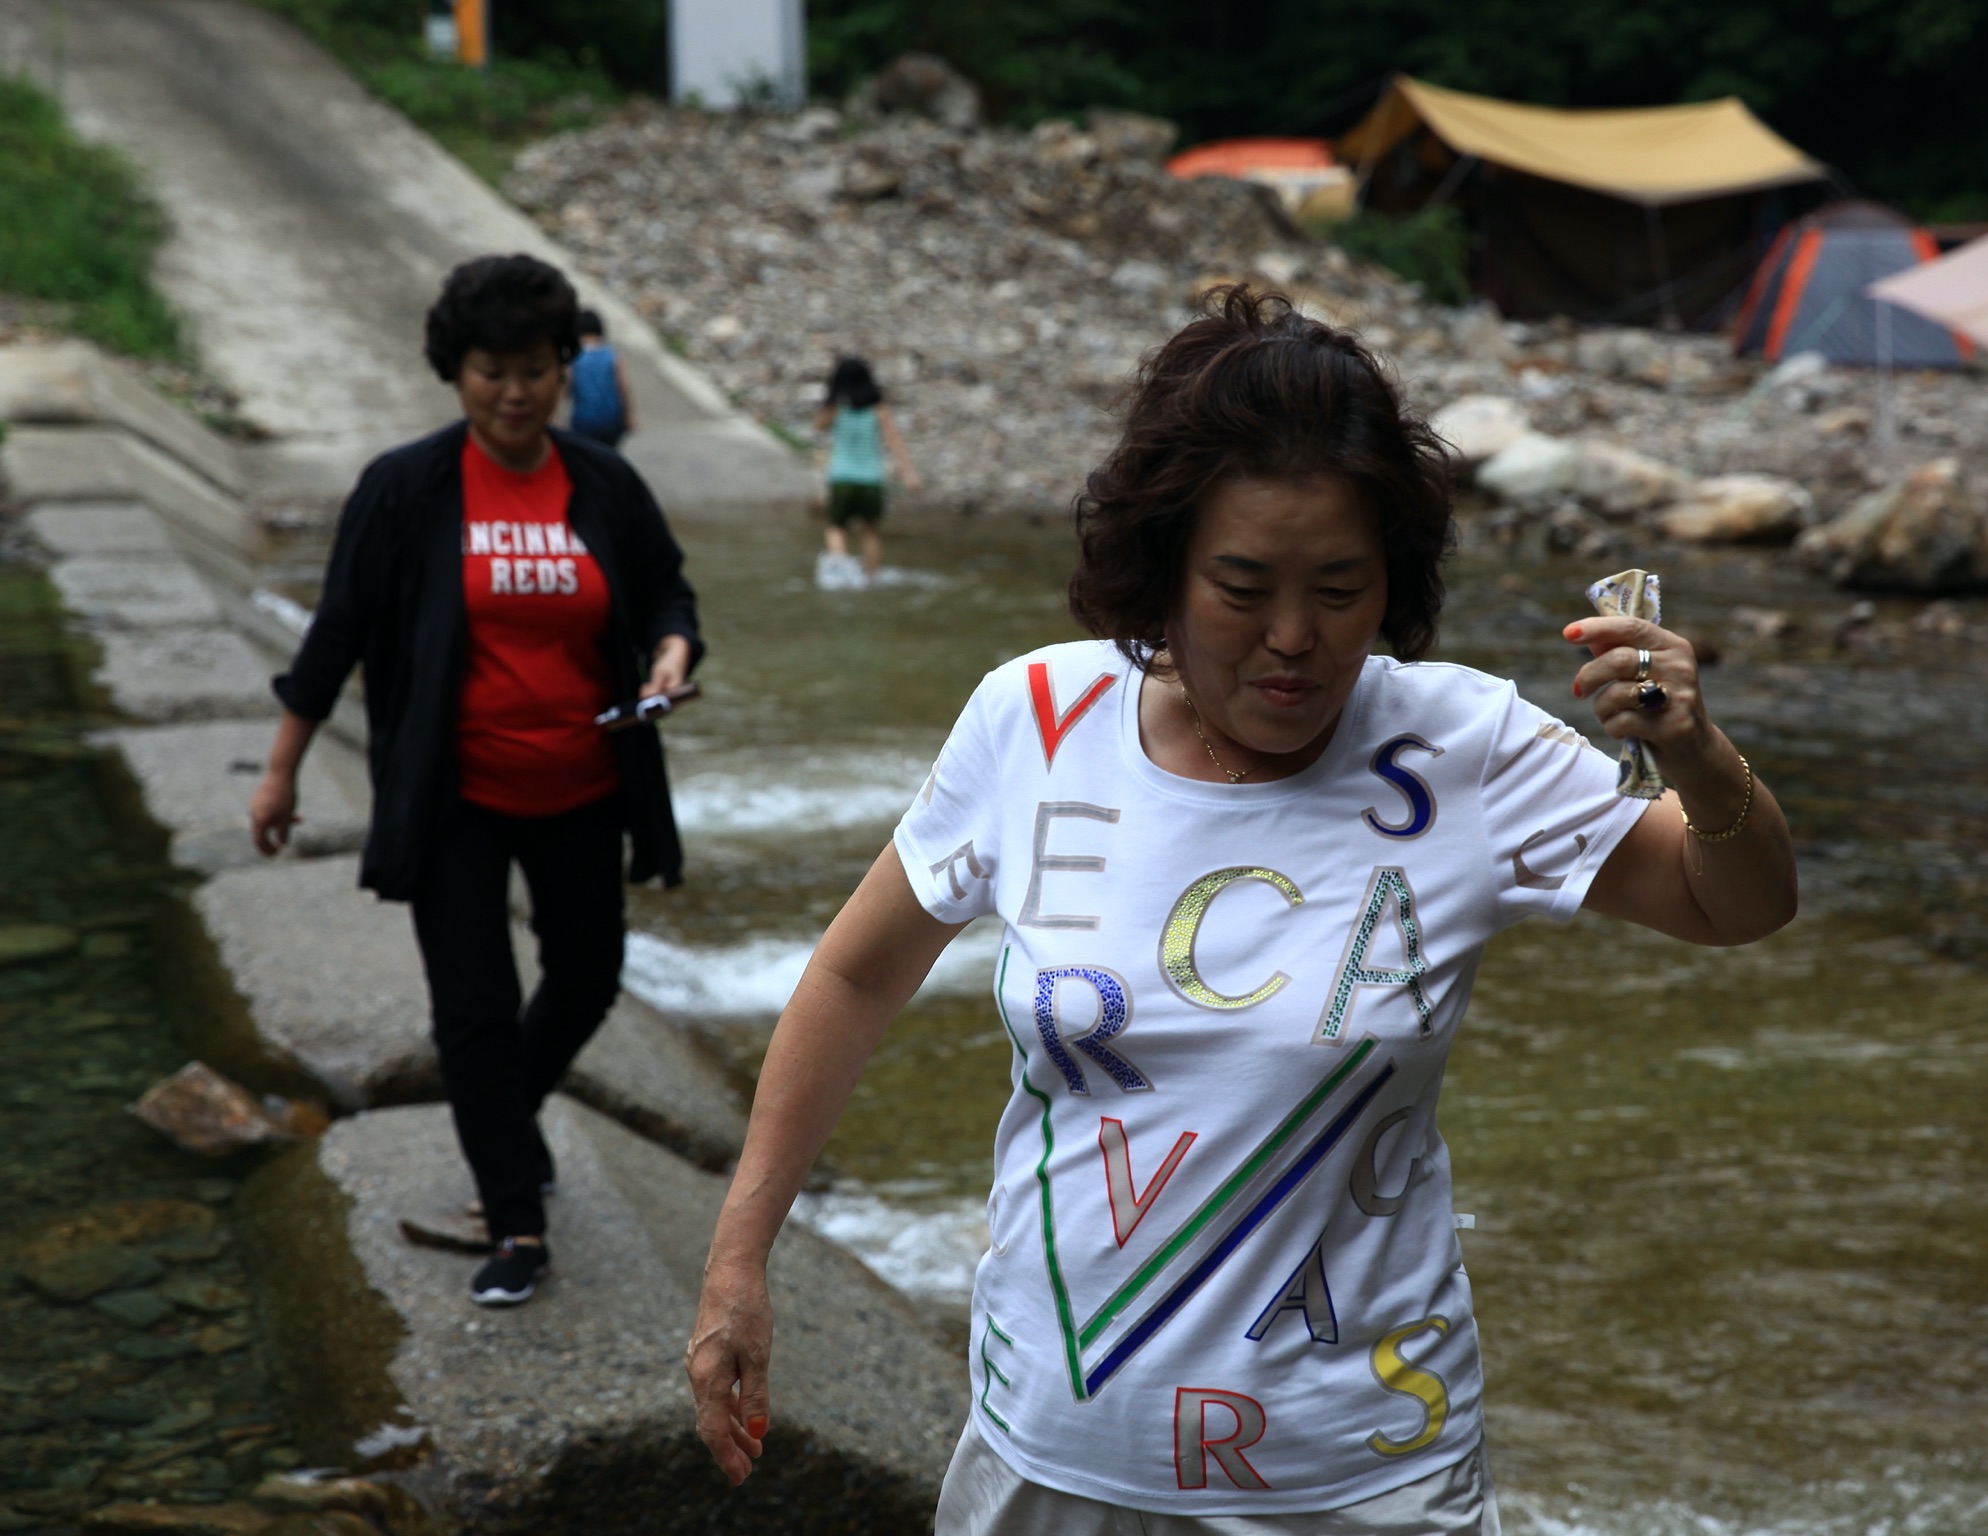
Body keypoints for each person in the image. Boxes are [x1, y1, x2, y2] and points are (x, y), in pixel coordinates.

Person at [684, 288, 1795, 1530]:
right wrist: (738, 1259)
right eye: (1243, 585)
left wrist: (1700, 759)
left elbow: (1734, 902)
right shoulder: (1034, 721)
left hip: (1363, 1477)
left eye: (1340, 587)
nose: (1293, 638)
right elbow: (855, 977)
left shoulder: (1461, 747)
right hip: (1053, 1456)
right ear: (1161, 567)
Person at [249, 254, 702, 1309]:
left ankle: (503, 1117)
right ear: (455, 371)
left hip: (584, 782)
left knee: (588, 976)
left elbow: (665, 587)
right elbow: (336, 635)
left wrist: (673, 650)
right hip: (453, 794)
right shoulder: (406, 489)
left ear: (563, 369)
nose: (514, 392)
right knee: (474, 1008)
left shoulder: (602, 481)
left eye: (536, 370)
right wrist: (280, 773)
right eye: (492, 371)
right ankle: (514, 1221)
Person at [813, 355, 921, 581]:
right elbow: (894, 440)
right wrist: (908, 473)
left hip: (842, 476)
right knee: (870, 532)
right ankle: (870, 579)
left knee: (836, 527)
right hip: (871, 478)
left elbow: (819, 426)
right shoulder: (878, 409)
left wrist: (831, 402)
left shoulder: (836, 408)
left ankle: (841, 572)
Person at [567, 309, 633, 448]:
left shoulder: (574, 357)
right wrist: (629, 415)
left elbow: (566, 386)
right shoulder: (611, 354)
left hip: (583, 422)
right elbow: (623, 386)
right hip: (611, 421)